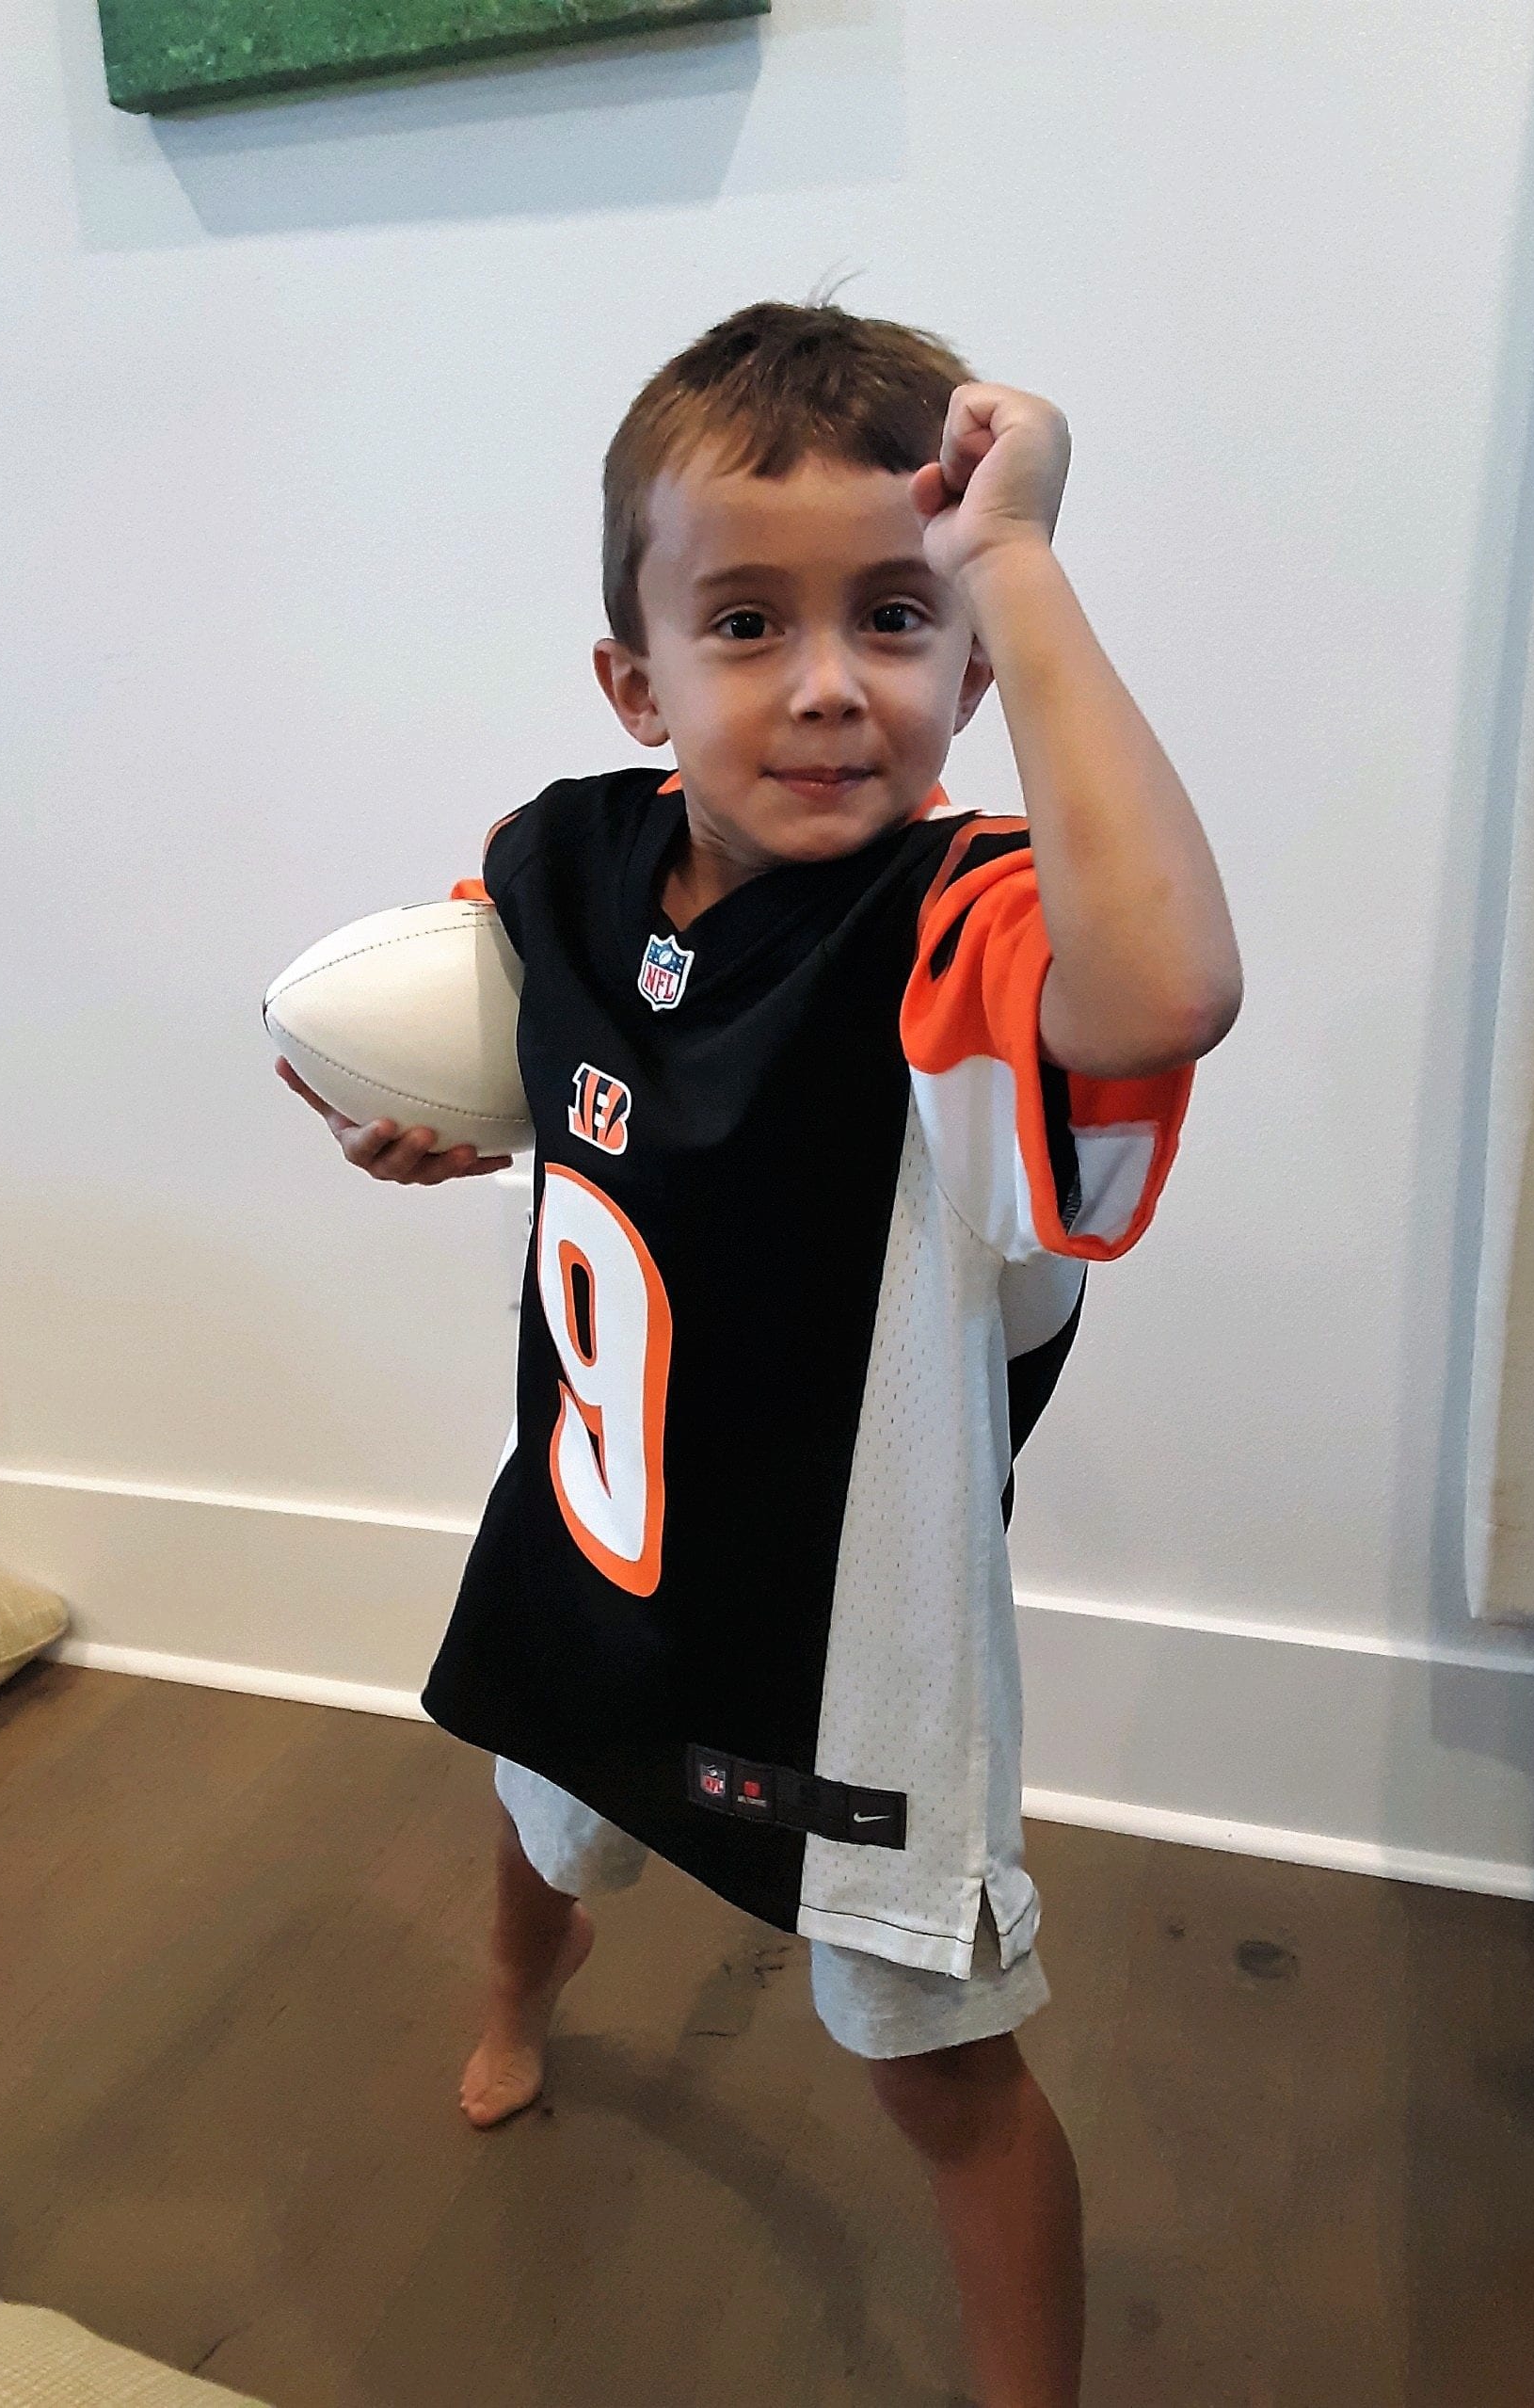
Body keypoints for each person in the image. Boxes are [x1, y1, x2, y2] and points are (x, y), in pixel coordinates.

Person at [277, 298, 1241, 2408]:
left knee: (943, 2073)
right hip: (594, 1539)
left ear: (971, 677)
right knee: (535, 1817)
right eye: (743, 621)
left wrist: (1021, 557)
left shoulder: (972, 932)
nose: (825, 684)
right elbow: (526, 1045)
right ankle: (533, 1985)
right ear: (636, 680)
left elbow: (1162, 985)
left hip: (845, 1648)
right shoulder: (573, 855)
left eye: (896, 615)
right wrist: (435, 1121)